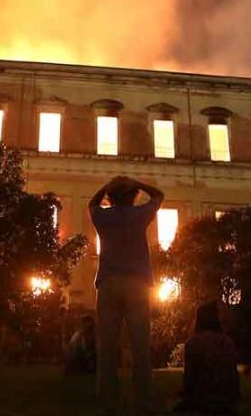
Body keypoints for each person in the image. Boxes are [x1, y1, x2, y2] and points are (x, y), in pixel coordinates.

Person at [90, 175, 164, 415]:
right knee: (140, 344)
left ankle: (108, 399)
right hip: (137, 283)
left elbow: (92, 203)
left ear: (111, 197)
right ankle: (143, 399)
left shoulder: (103, 217)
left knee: (108, 345)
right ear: (132, 197)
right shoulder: (139, 215)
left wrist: (107, 185)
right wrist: (137, 182)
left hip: (109, 283)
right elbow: (159, 195)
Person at [174, 301, 241, 416]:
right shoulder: (228, 342)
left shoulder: (193, 342)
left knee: (177, 405)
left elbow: (189, 380)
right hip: (229, 399)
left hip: (204, 398)